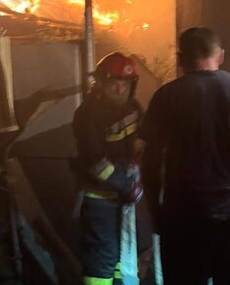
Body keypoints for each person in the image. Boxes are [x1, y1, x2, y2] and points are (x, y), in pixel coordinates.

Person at [139, 27, 230, 285]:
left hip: (184, 219)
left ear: (180, 59)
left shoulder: (166, 96)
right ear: (220, 56)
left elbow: (150, 163)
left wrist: (157, 214)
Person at [73, 52, 144, 285]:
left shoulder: (134, 108)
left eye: (126, 84)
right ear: (101, 83)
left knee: (122, 260)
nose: (121, 89)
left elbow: (143, 141)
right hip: (99, 200)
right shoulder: (88, 114)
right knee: (102, 261)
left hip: (124, 200)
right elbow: (96, 163)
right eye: (115, 83)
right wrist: (126, 185)